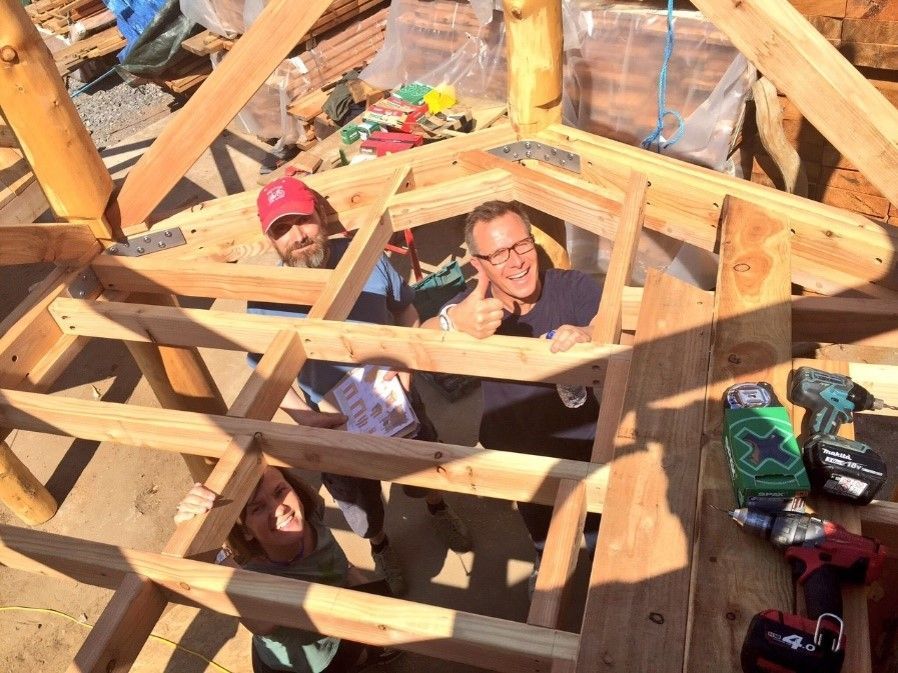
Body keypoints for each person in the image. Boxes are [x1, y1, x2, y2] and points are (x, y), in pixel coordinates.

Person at [248, 173, 472, 596]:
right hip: (334, 422)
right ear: (270, 240)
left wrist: (405, 360)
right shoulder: (265, 300)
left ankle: (437, 506)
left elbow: (405, 311)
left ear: (321, 215)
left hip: (396, 396)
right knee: (357, 496)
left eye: (303, 220)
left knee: (424, 461)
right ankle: (380, 544)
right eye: (282, 229)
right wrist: (304, 417)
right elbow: (265, 370)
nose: (298, 236)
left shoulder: (367, 258)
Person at [422, 200, 602, 590]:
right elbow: (421, 337)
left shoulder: (571, 286)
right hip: (515, 447)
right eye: (499, 254)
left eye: (521, 245)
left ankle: (601, 567)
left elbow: (612, 324)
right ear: (478, 264)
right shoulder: (474, 308)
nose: (516, 261)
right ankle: (545, 560)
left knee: (598, 524)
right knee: (538, 518)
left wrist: (589, 333)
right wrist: (453, 322)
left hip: (583, 438)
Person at [175, 467, 402, 673]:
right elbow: (261, 624)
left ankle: (366, 656)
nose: (280, 508)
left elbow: (336, 560)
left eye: (280, 491)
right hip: (310, 665)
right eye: (258, 508)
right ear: (245, 531)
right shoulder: (254, 576)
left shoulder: (312, 518)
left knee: (358, 651)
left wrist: (355, 580)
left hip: (339, 627)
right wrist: (201, 538)